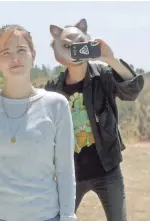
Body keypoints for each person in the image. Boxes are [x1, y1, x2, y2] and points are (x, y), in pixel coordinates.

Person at [0, 24, 76, 221]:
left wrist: (68, 217)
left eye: (21, 50)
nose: (15, 58)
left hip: (44, 215)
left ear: (33, 54)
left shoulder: (57, 105)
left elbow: (65, 170)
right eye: (5, 52)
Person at [45, 18, 144, 221]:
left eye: (79, 43)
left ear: (87, 43)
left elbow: (132, 91)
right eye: (67, 46)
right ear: (58, 52)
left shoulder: (104, 75)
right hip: (70, 173)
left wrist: (110, 58)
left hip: (107, 169)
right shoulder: (53, 88)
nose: (74, 49)